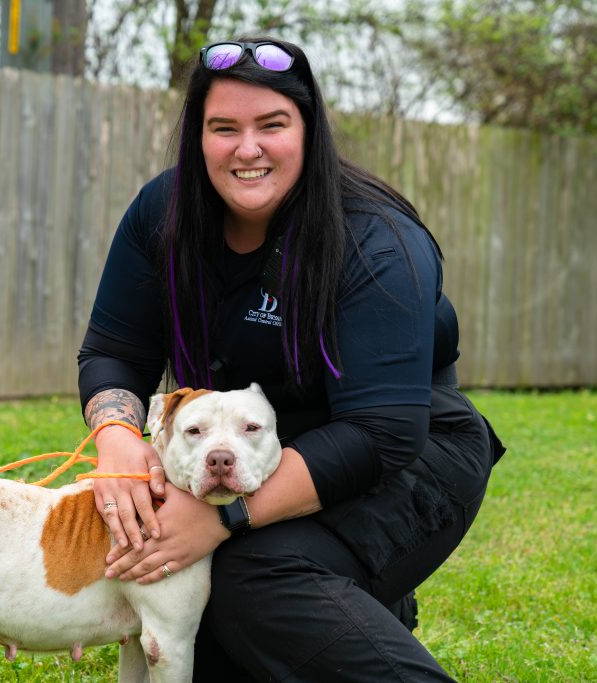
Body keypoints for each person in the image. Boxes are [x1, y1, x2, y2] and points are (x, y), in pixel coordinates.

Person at [77, 37, 505, 681]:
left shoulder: (377, 240)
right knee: (213, 613)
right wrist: (115, 438)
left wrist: (223, 517)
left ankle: (354, 583)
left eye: (271, 125)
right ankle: (358, 601)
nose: (247, 149)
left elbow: (380, 432)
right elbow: (115, 349)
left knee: (252, 577)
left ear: (309, 132)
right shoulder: (161, 213)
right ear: (199, 138)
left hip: (407, 452)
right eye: (224, 128)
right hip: (258, 442)